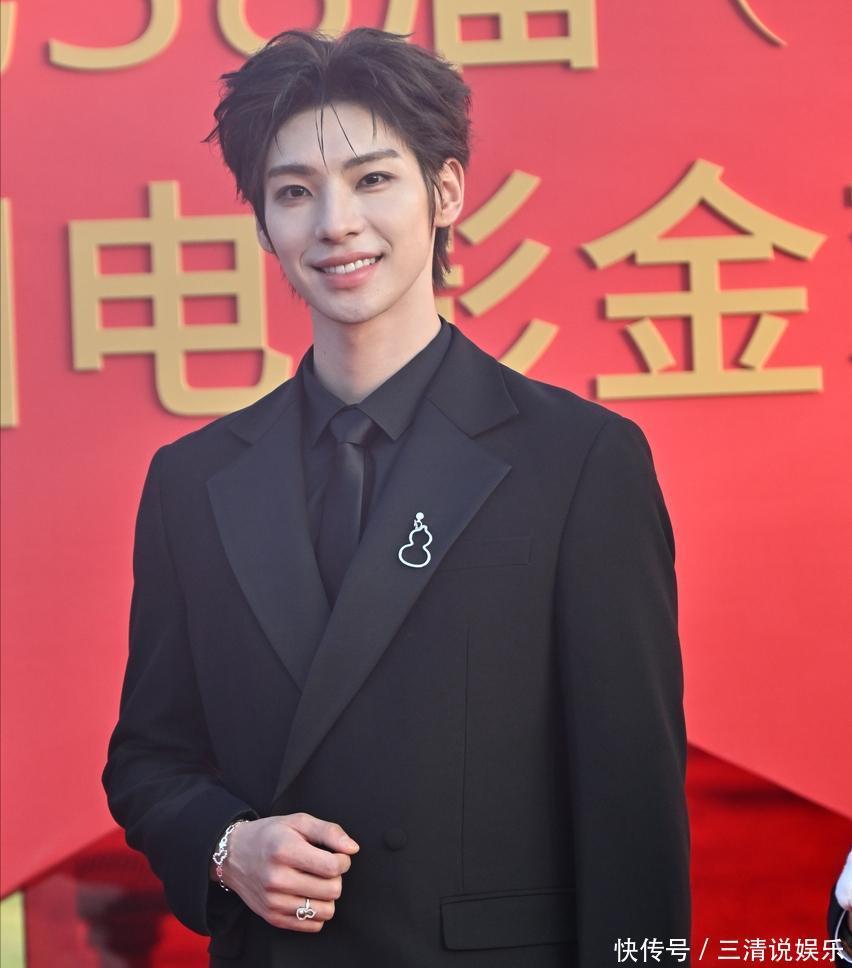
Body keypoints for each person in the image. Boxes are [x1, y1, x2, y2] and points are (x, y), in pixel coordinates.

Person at [102, 27, 690, 967]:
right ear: (263, 224)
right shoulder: (193, 481)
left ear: (445, 191)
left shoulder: (579, 461)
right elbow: (148, 757)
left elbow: (632, 807)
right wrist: (226, 846)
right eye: (295, 192)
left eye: (373, 179)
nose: (336, 223)